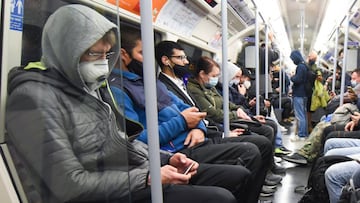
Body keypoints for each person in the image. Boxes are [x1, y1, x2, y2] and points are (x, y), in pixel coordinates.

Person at [5, 5, 250, 203]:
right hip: (109, 190)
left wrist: (166, 160)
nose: (102, 63)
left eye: (105, 54)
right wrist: (147, 178)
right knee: (220, 197)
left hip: (133, 174)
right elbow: (68, 185)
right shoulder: (32, 99)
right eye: (93, 54)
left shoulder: (87, 90)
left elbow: (121, 143)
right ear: (66, 51)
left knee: (237, 176)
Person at [109, 27, 265, 203]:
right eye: (142, 53)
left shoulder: (150, 82)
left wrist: (199, 128)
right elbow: (135, 141)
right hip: (175, 150)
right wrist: (183, 122)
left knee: (254, 148)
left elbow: (190, 108)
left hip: (193, 138)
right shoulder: (118, 89)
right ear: (124, 54)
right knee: (247, 157)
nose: (148, 60)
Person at [155, 40, 277, 197]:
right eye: (181, 58)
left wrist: (202, 127)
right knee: (256, 145)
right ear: (166, 61)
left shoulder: (183, 84)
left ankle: (259, 184)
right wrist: (222, 133)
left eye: (186, 57)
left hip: (206, 130)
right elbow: (203, 113)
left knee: (263, 137)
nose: (186, 62)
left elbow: (198, 113)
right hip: (191, 141)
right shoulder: (163, 88)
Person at [290, 50, 308, 141]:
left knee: (300, 115)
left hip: (299, 93)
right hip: (304, 93)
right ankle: (304, 133)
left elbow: (298, 79)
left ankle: (301, 135)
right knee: (303, 115)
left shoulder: (300, 67)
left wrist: (292, 76)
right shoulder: (304, 66)